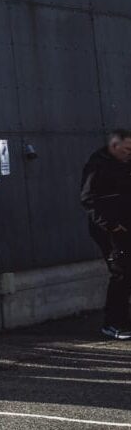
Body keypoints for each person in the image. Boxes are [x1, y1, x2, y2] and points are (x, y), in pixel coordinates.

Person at [82, 127, 131, 339]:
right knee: (120, 272)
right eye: (127, 149)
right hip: (109, 229)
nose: (129, 153)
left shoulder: (125, 163)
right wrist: (110, 225)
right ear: (114, 145)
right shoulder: (98, 164)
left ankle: (122, 320)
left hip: (125, 224)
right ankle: (113, 323)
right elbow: (88, 199)